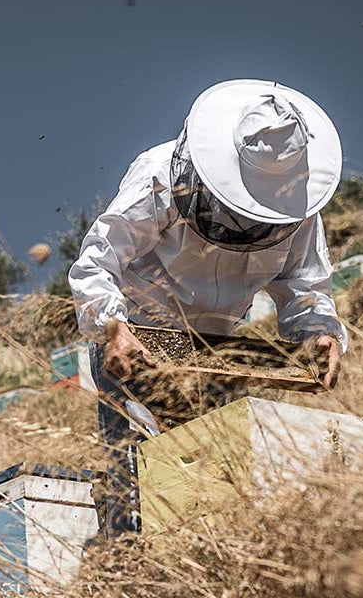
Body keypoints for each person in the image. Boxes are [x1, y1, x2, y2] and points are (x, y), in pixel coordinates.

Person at [68, 80, 348, 539]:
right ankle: (128, 570)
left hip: (220, 353)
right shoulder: (159, 174)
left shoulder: (298, 207)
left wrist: (319, 334)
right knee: (137, 485)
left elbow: (306, 288)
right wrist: (113, 325)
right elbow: (98, 260)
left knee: (220, 488)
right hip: (138, 338)